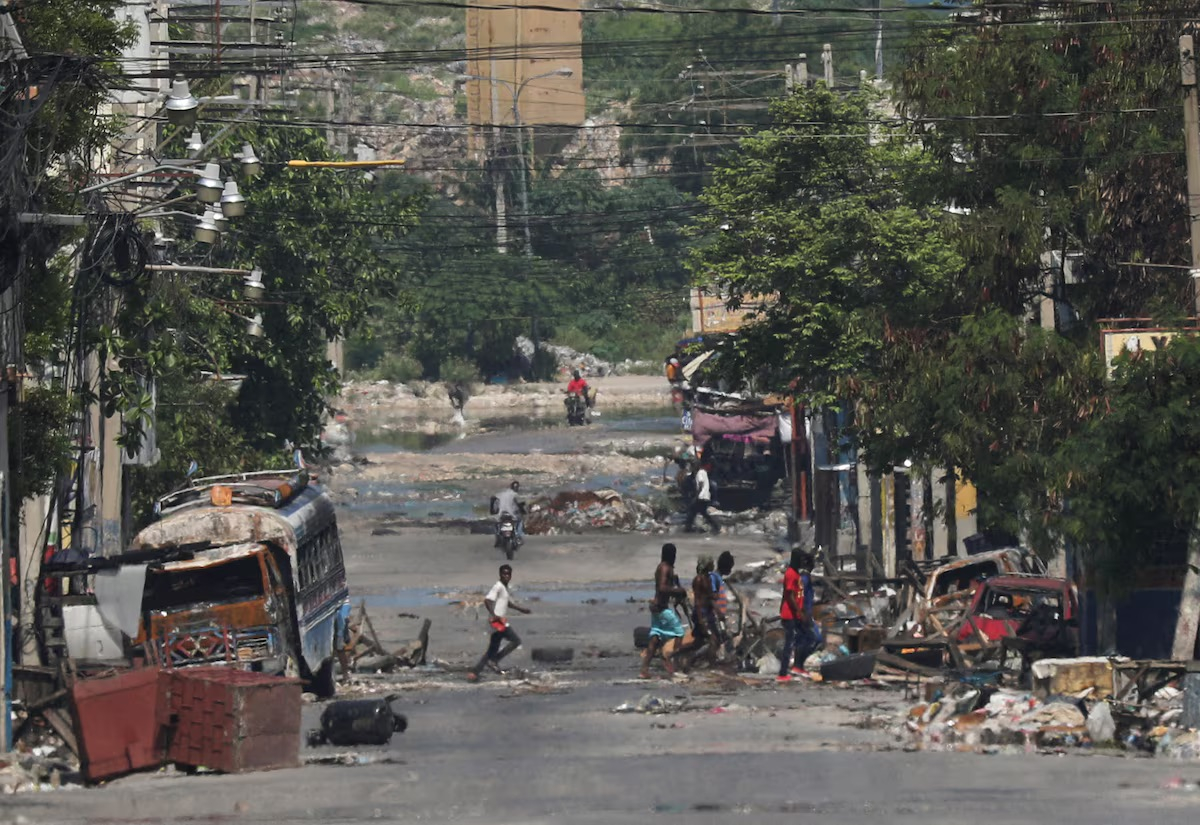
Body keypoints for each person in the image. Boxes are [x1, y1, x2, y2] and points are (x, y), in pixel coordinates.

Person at [467, 564, 531, 681]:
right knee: (516, 641)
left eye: (508, 574)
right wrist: (494, 614)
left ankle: (475, 672)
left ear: (511, 575)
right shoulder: (498, 586)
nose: (506, 576)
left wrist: (521, 609)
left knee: (492, 649)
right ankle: (494, 660)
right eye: (504, 574)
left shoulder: (504, 587)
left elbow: (507, 602)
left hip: (498, 622)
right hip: (498, 622)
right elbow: (487, 600)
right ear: (500, 574)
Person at [640, 543, 688, 679]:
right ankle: (672, 662)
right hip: (661, 608)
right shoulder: (665, 568)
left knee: (654, 639)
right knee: (679, 633)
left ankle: (644, 670)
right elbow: (662, 588)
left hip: (657, 608)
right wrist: (678, 591)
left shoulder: (664, 568)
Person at [777, 548, 808, 682]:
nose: (803, 562)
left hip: (794, 614)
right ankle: (783, 673)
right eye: (801, 559)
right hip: (790, 614)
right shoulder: (791, 574)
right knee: (789, 643)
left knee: (799, 640)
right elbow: (789, 595)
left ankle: (796, 666)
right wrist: (798, 611)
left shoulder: (796, 574)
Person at [691, 555, 720, 666]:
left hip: (708, 612)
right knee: (713, 639)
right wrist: (701, 619)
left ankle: (697, 660)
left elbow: (708, 596)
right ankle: (706, 663)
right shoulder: (699, 580)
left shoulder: (708, 578)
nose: (713, 565)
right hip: (702, 613)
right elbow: (698, 601)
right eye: (711, 563)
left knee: (703, 640)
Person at [684, 461, 720, 534]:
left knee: (692, 511)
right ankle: (715, 527)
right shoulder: (704, 472)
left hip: (701, 496)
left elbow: (701, 483)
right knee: (700, 512)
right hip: (705, 496)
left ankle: (688, 528)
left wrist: (696, 495)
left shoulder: (699, 473)